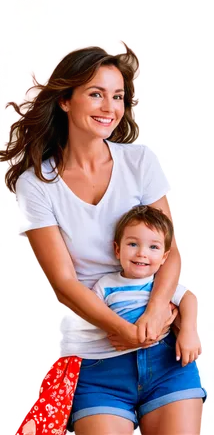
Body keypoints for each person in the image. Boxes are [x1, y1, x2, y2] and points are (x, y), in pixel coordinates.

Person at [0, 41, 204, 434]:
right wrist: (123, 330)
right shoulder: (37, 184)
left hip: (166, 354)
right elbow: (63, 283)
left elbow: (171, 251)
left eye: (118, 96)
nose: (110, 107)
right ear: (65, 100)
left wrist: (157, 310)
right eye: (96, 94)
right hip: (98, 360)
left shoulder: (139, 160)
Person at [60, 204, 206, 433]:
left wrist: (188, 330)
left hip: (167, 366)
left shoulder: (161, 284)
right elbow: (88, 314)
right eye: (133, 244)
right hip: (105, 373)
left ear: (164, 256)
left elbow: (189, 298)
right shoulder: (106, 286)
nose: (142, 253)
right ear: (117, 250)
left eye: (153, 247)